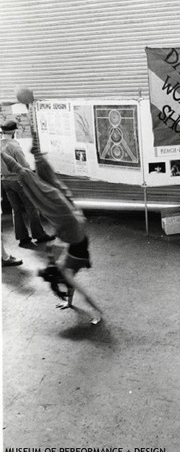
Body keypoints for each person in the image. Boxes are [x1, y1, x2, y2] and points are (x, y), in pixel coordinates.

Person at [1, 126, 102, 325]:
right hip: (71, 225)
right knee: (40, 182)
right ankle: (37, 153)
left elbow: (75, 285)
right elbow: (70, 280)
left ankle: (37, 154)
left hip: (71, 223)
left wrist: (92, 311)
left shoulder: (63, 267)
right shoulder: (63, 268)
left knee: (38, 181)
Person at [1, 120, 55, 247]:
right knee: (32, 207)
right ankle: (39, 235)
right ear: (14, 131)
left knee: (16, 210)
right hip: (19, 181)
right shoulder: (14, 146)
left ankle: (22, 238)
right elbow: (24, 166)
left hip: (4, 181)